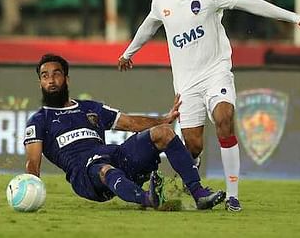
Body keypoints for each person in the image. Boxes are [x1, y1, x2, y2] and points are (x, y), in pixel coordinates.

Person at [117, 0, 300, 212]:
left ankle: (233, 195)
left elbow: (251, 2)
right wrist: (128, 53)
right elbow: (149, 25)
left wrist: (296, 19)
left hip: (215, 72)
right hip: (186, 84)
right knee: (192, 145)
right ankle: (188, 171)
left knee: (224, 117)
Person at [24, 54, 226, 210]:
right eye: (45, 76)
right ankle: (149, 198)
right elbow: (33, 162)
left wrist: (165, 119)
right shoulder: (39, 120)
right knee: (103, 168)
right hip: (84, 174)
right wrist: (31, 190)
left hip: (114, 156)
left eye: (56, 74)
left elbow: (130, 123)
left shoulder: (89, 108)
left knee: (164, 133)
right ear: (40, 82)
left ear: (66, 79)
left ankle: (199, 194)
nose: (51, 80)